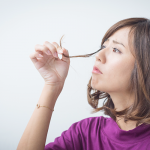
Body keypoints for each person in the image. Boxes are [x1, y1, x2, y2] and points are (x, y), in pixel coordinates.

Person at [17, 17, 150, 150]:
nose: (98, 55)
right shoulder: (85, 132)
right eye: (103, 46)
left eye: (116, 49)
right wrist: (52, 85)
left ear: (145, 67)